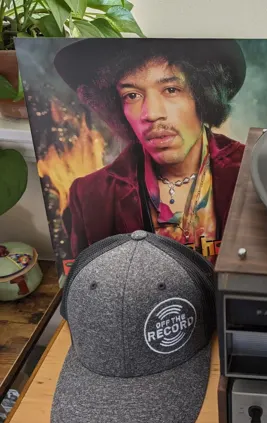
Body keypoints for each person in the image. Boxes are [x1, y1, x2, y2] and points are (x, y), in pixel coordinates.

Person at [54, 39, 247, 264]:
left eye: (171, 90)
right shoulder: (91, 195)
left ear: (203, 96)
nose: (152, 114)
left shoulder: (250, 170)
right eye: (132, 95)